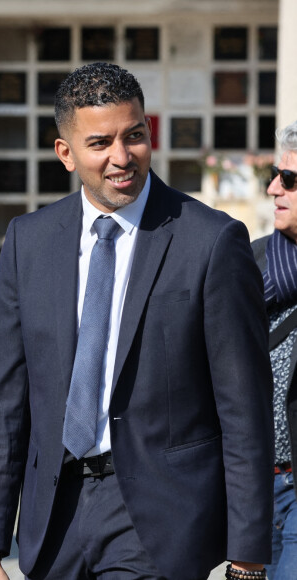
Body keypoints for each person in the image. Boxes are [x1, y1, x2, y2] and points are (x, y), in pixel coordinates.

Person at [0, 62, 274, 580]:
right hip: (53, 518)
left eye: (134, 136)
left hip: (161, 520)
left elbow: (244, 407)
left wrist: (247, 555)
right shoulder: (29, 241)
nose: (121, 157)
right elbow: (2, 402)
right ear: (65, 152)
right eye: (100, 143)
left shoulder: (211, 241)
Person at [252, 120, 297, 580]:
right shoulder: (252, 261)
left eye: (290, 179)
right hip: (254, 485)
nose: (273, 188)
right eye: (275, 173)